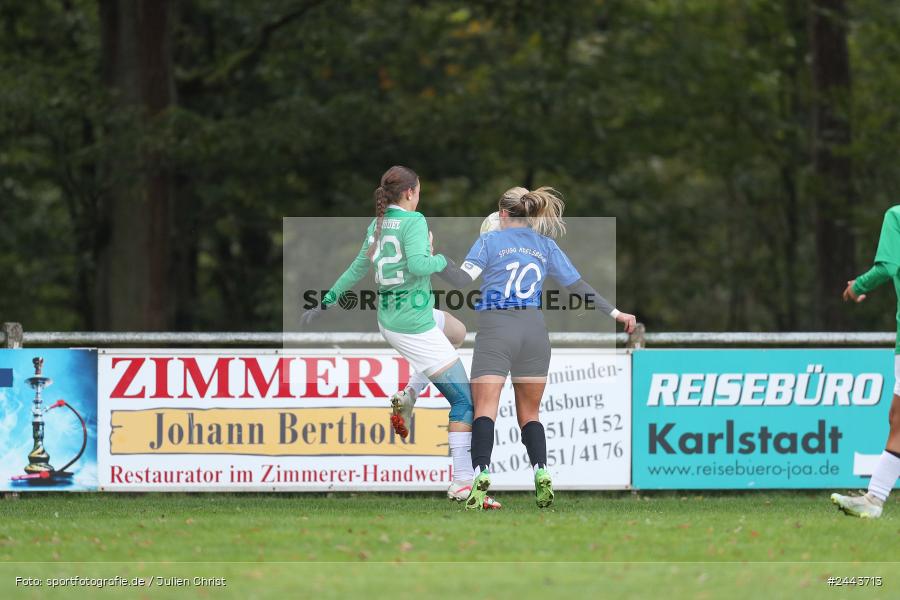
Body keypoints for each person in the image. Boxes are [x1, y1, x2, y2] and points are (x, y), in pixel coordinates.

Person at [301, 165, 499, 508]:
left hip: (394, 319)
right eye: (419, 190)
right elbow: (422, 266)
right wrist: (440, 259)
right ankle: (463, 484)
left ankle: (409, 395)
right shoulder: (414, 221)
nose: (419, 195)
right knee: (464, 402)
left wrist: (326, 302)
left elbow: (356, 269)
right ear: (409, 193)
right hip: (414, 326)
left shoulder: (378, 223)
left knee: (457, 331)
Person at [437, 186, 636, 510]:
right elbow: (577, 286)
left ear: (502, 214)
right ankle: (541, 471)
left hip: (497, 330)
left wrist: (435, 258)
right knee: (530, 413)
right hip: (534, 333)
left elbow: (461, 279)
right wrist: (616, 313)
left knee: (485, 409)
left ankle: (481, 473)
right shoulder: (545, 245)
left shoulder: (490, 240)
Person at [831, 206, 900, 519]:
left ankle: (874, 499)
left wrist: (857, 285)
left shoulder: (897, 216)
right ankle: (874, 498)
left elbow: (888, 266)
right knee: (897, 417)